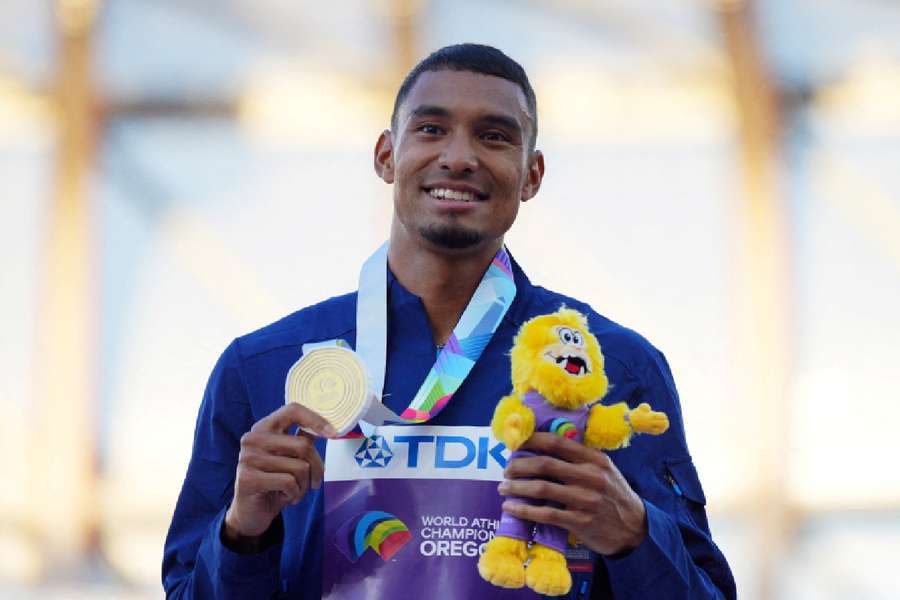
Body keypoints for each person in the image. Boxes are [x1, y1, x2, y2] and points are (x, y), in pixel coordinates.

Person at [162, 44, 736, 599]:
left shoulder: (611, 365)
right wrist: (241, 533)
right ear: (387, 156)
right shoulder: (262, 369)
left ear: (531, 175)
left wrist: (634, 533)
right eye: (431, 129)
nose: (459, 157)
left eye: (494, 136)